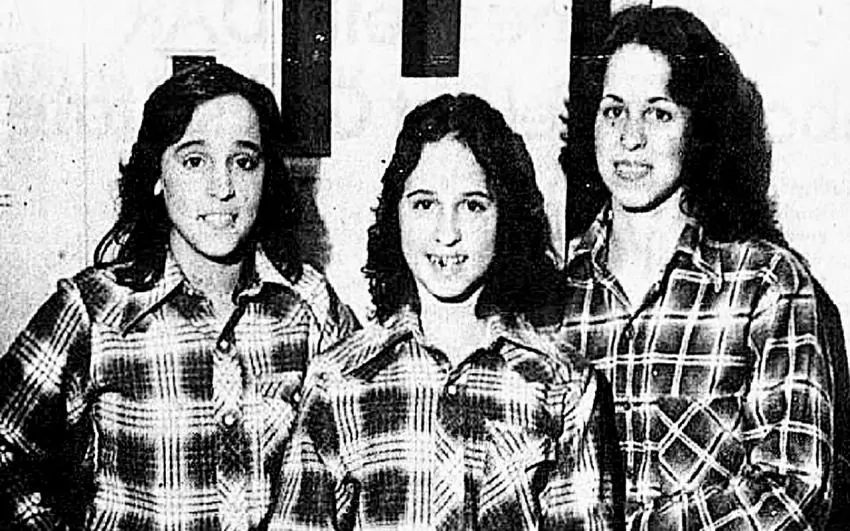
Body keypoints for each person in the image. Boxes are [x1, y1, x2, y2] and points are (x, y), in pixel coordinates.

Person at [0, 63, 358, 530]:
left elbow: (362, 462)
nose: (222, 188)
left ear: (266, 177)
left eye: (243, 162)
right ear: (157, 175)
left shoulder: (311, 308)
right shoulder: (94, 309)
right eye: (194, 161)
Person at [265, 93, 624, 530]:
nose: (447, 232)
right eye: (424, 203)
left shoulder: (563, 384)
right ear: (396, 215)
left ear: (506, 217)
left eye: (472, 205)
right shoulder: (338, 380)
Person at [555, 5, 838, 530]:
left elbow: (793, 493)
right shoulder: (552, 295)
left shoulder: (767, 285)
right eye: (613, 111)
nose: (630, 137)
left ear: (699, 129)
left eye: (659, 113)